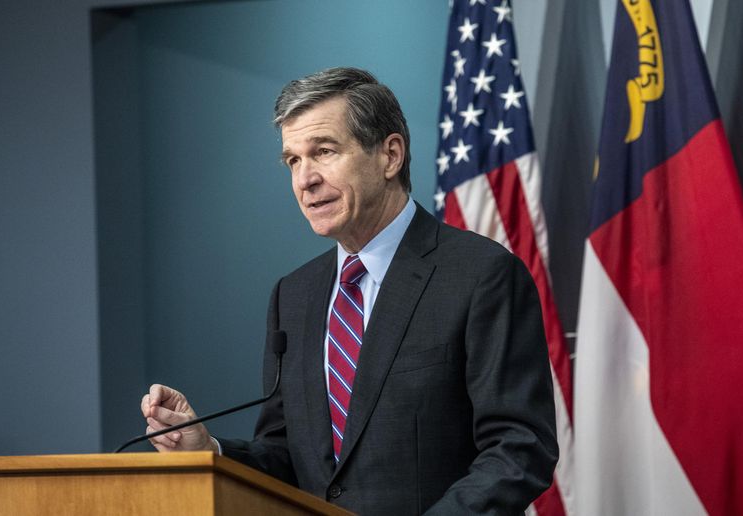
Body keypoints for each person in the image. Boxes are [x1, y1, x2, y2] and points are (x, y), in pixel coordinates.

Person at [140, 67, 558, 514]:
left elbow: (518, 447)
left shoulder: (481, 275)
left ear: (390, 155)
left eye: (323, 151)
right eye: (293, 161)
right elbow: (288, 456)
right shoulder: (294, 296)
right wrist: (209, 450)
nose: (305, 179)